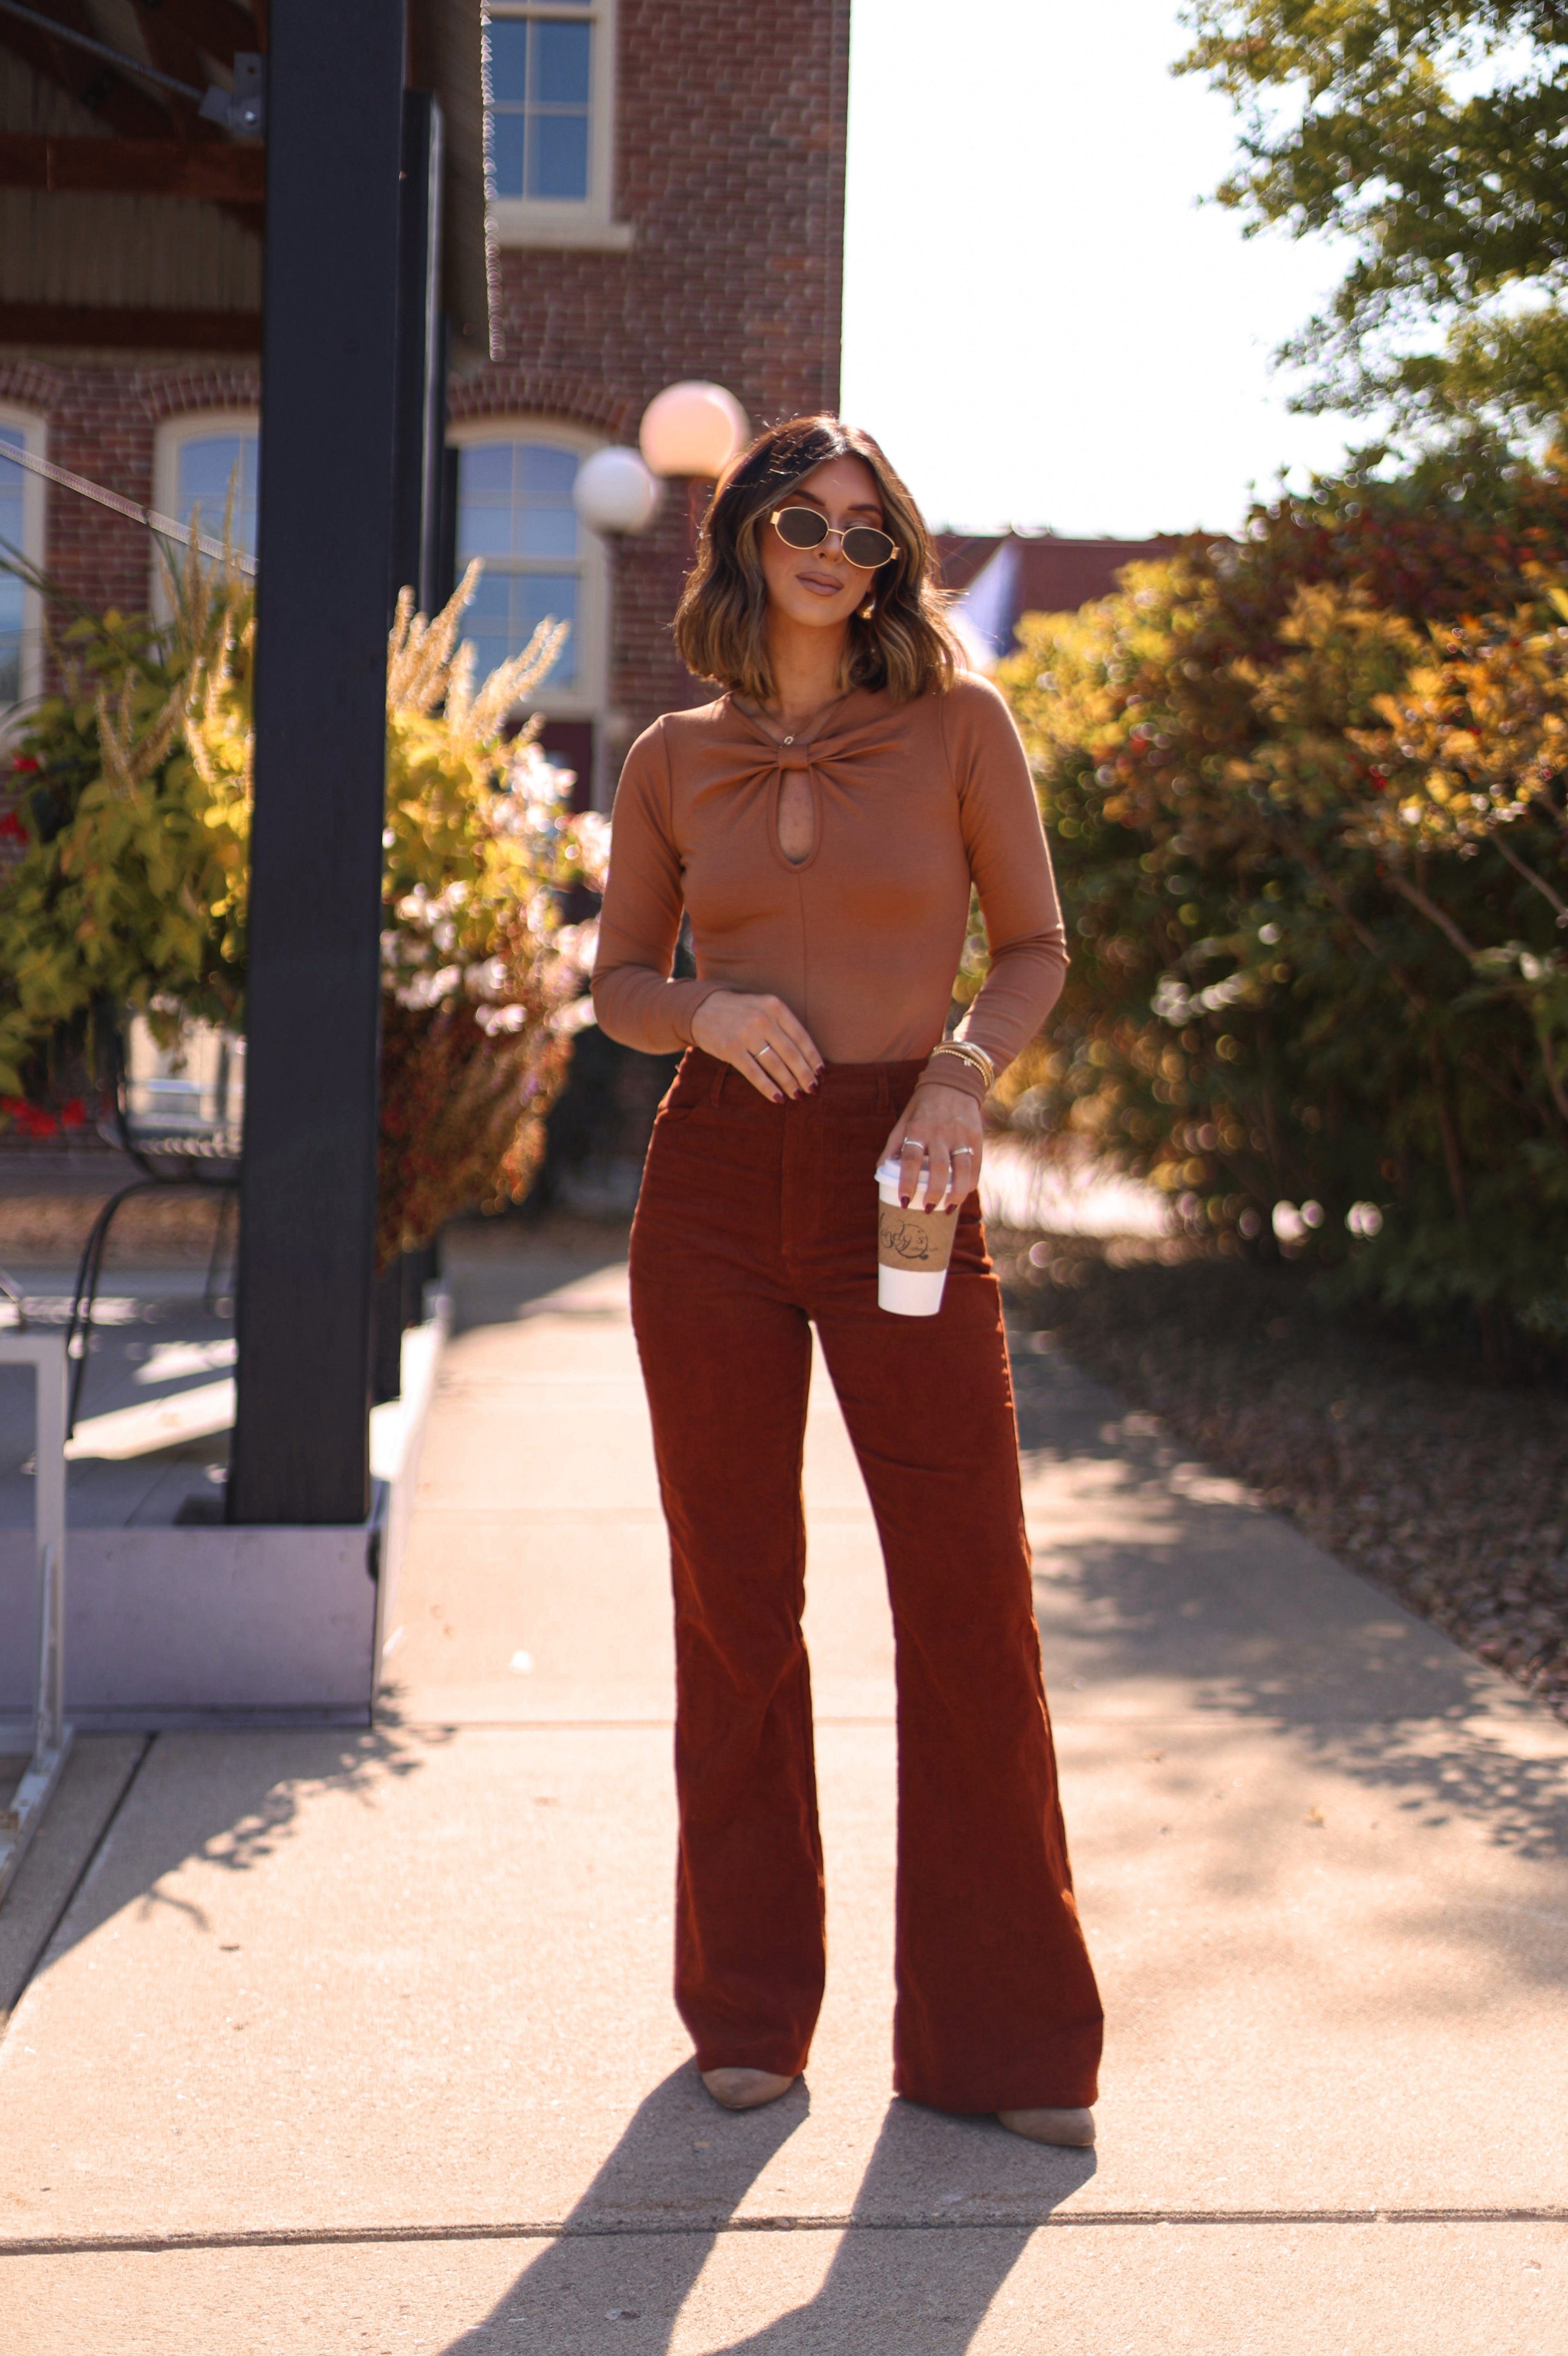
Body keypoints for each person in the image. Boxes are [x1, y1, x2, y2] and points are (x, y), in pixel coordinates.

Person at [591, 415, 1103, 2146]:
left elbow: (1033, 945)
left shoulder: (962, 725)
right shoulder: (669, 755)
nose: (834, 549)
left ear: (893, 566)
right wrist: (708, 1014)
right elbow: (619, 986)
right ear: (747, 534)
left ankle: (1008, 2043)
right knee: (738, 1601)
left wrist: (961, 1073)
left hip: (908, 1170)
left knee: (967, 1594)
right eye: (805, 519)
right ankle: (747, 2006)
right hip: (720, 1182)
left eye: (867, 534)